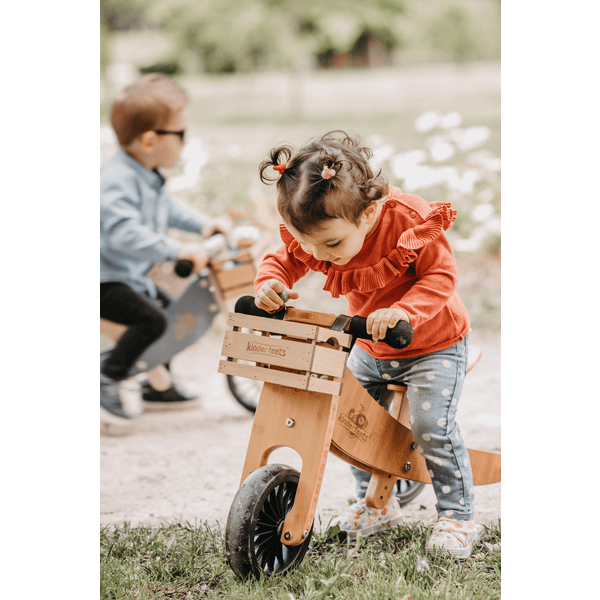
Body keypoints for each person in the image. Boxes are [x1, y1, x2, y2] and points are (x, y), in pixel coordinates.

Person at [253, 130, 483, 558]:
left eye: (331, 244)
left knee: (432, 429)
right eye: (305, 242)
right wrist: (271, 282)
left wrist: (404, 312)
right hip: (372, 347)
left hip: (433, 343)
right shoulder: (316, 233)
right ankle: (377, 504)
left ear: (369, 212)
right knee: (352, 422)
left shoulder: (407, 219)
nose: (317, 255)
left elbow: (441, 278)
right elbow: (283, 257)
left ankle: (458, 514)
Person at [100, 73, 230, 426]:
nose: (185, 143)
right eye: (180, 134)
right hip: (102, 280)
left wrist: (204, 225)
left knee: (169, 311)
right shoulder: (118, 180)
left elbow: (168, 209)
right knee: (152, 319)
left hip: (124, 276)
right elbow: (124, 235)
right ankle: (107, 377)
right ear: (148, 139)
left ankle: (157, 387)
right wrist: (179, 250)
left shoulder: (147, 172)